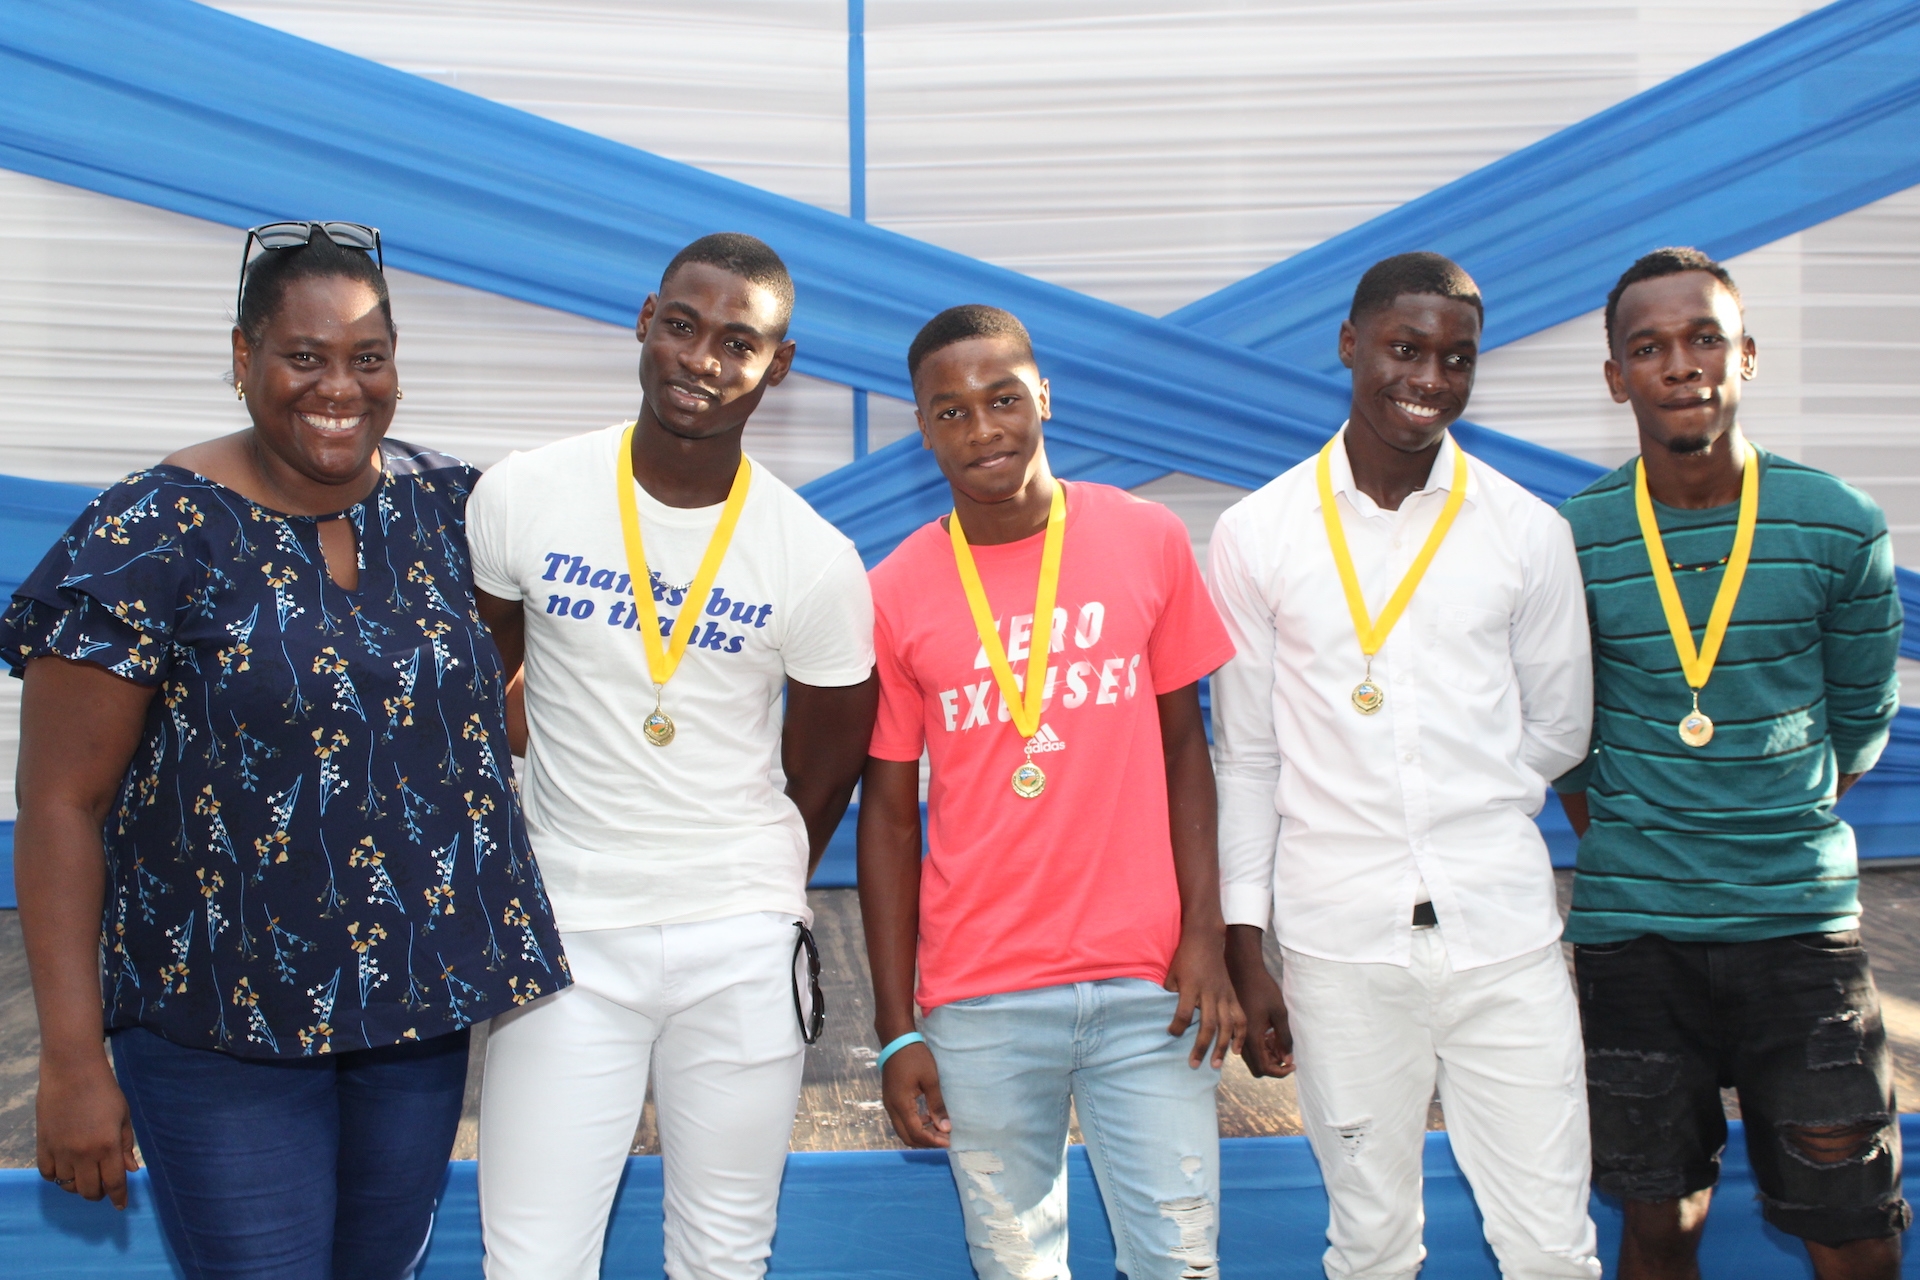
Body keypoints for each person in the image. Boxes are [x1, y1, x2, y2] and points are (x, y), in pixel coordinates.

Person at [7, 223, 564, 1279]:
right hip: (216, 1028)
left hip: (414, 1017)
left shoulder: (455, 509)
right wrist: (73, 1060)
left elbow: (499, 701)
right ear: (241, 358)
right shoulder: (150, 533)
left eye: (367, 357)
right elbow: (60, 806)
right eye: (303, 356)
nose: (338, 387)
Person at [468, 232, 877, 1280]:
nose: (702, 359)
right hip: (566, 938)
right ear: (646, 319)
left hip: (737, 944)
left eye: (739, 343)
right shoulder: (525, 494)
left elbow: (826, 765)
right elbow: (477, 693)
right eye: (685, 326)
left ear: (777, 367)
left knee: (724, 1255)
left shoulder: (814, 558)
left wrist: (748, 879)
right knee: (532, 1259)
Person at [1210, 252, 1600, 1279]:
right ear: (1350, 345)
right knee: (1370, 1241)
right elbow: (1246, 754)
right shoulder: (1257, 533)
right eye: (1404, 347)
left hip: (1503, 935)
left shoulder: (1528, 530)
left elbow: (1559, 728)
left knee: (1551, 1244)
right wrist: (1245, 944)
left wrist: (1465, 803)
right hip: (1340, 943)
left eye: (1455, 358)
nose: (1428, 376)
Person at [860, 304, 1244, 1280]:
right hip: (980, 993)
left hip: (1149, 986)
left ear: (1044, 396)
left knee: (1180, 1262)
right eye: (949, 412)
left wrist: (1207, 933)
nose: (982, 428)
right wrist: (896, 1020)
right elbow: (892, 820)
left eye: (1002, 398)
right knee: (1016, 1266)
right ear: (922, 426)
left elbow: (1187, 751)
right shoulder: (896, 588)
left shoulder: (1147, 538)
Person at [1554, 247, 1907, 1280]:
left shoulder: (1840, 524)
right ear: (1618, 377)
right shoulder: (1570, 539)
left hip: (1799, 932)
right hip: (1635, 939)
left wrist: (1758, 821)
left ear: (1746, 354)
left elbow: (1858, 728)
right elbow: (1566, 739)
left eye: (1705, 336)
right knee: (1660, 1221)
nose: (1681, 363)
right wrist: (1647, 836)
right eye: (1649, 346)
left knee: (1854, 1223)